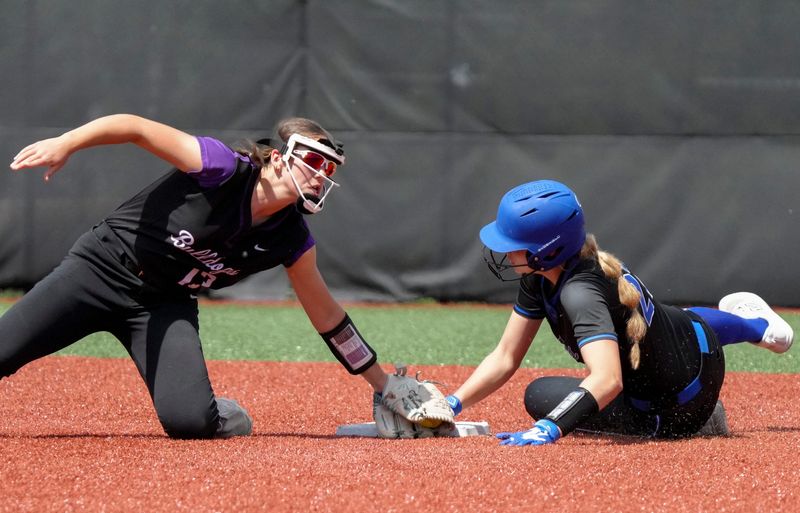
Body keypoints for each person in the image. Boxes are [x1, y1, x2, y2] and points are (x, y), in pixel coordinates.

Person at [5, 114, 392, 439]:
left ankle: (216, 408)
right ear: (277, 158)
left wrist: (384, 385)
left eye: (328, 169)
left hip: (162, 304)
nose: (319, 175)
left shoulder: (291, 239)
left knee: (191, 423)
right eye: (313, 160)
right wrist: (67, 142)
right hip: (101, 269)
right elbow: (133, 127)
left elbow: (328, 318)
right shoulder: (222, 168)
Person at [444, 179, 794, 445]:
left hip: (678, 407)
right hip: (695, 343)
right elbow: (505, 356)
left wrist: (546, 429)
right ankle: (760, 327)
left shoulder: (580, 294)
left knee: (539, 397)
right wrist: (451, 405)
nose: (505, 252)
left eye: (514, 245)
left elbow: (608, 380)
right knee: (671, 320)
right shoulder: (549, 272)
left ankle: (705, 419)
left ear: (546, 252)